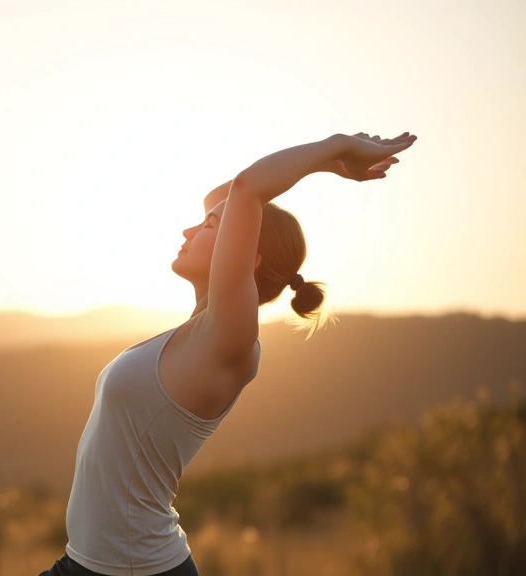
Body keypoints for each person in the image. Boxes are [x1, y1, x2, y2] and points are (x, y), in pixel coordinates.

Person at [38, 131, 418, 576]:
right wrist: (328, 167)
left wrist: (337, 146)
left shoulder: (229, 340)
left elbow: (246, 190)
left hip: (136, 572)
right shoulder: (198, 331)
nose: (188, 229)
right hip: (87, 563)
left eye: (209, 228)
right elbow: (225, 196)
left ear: (246, 258)